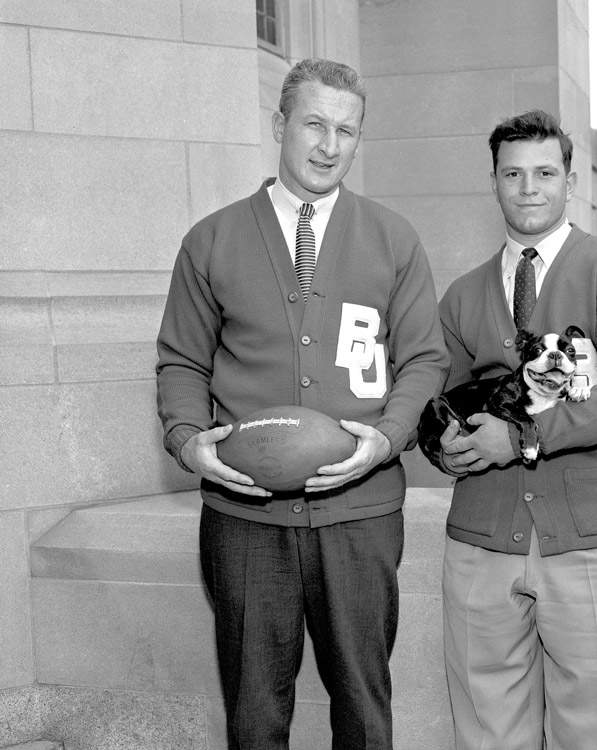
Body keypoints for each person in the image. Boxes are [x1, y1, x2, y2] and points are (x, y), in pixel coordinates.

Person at [155, 59, 447, 750]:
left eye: (346, 130)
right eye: (314, 124)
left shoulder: (393, 237)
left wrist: (389, 435)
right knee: (255, 712)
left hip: (362, 511)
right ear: (280, 123)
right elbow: (181, 361)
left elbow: (424, 358)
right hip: (244, 517)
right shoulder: (211, 239)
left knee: (363, 706)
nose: (328, 144)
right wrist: (189, 437)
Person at [430, 110, 597, 749]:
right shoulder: (460, 296)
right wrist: (446, 448)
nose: (528, 187)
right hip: (483, 535)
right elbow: (444, 403)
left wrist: (524, 438)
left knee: (587, 734)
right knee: (485, 734)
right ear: (495, 183)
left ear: (569, 179)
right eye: (513, 173)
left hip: (592, 535)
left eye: (543, 172)